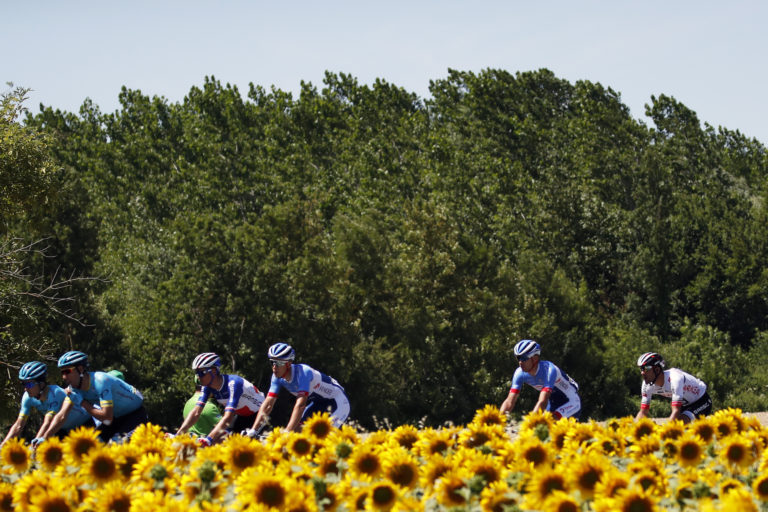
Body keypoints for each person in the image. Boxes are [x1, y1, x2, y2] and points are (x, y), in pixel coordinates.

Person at [42, 351, 148, 442]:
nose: (64, 377)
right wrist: (44, 437)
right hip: (116, 418)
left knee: (116, 445)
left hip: (135, 415)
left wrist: (83, 402)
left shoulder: (100, 381)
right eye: (62, 372)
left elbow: (107, 419)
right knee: (93, 446)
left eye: (67, 371)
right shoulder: (74, 389)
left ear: (80, 369)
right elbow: (61, 416)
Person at [246, 343, 350, 436]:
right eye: (272, 362)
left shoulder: (303, 373)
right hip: (318, 403)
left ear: (288, 364)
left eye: (278, 363)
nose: (274, 367)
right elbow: (268, 404)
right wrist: (253, 430)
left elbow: (300, 405)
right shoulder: (276, 377)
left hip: (338, 401)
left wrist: (287, 432)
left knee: (323, 438)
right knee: (296, 431)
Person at [174, 352, 264, 446]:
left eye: (202, 372)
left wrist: (209, 438)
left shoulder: (233, 383)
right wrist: (179, 434)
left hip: (260, 414)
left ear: (213, 371)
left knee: (245, 445)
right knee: (220, 440)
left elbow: (228, 417)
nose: (198, 376)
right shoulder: (207, 387)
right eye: (197, 373)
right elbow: (196, 412)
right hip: (242, 415)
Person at [1, 361, 93, 448]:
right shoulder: (27, 396)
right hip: (63, 429)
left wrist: (34, 445)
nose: (25, 389)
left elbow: (47, 422)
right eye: (23, 384)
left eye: (29, 385)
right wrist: (2, 446)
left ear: (41, 384)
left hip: (86, 423)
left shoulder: (55, 393)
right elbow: (19, 425)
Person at [500, 339, 581, 419]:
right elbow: (510, 401)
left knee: (550, 421)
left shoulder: (549, 370)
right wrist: (498, 419)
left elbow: (542, 401)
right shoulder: (519, 373)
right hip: (552, 403)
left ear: (535, 358)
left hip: (571, 402)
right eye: (518, 358)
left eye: (524, 358)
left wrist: (531, 421)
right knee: (541, 427)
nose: (520, 362)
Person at [635, 352, 712, 424]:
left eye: (646, 368)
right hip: (685, 405)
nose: (642, 372)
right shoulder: (646, 385)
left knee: (678, 423)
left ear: (657, 370)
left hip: (701, 401)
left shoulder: (675, 379)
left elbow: (676, 411)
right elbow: (643, 412)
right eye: (641, 369)